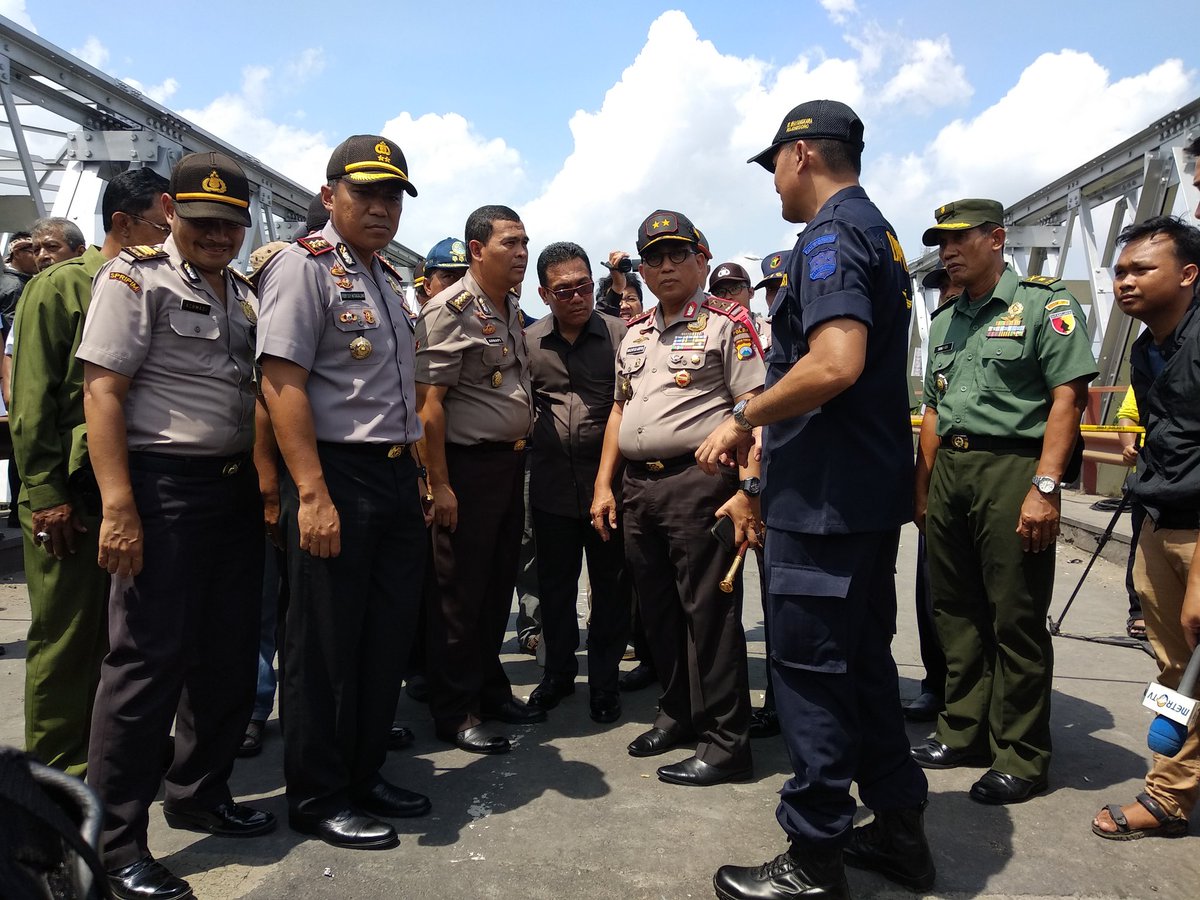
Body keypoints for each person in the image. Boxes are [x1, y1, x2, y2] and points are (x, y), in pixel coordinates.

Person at [705, 99, 933, 899]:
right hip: (859, 501)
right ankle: (899, 832)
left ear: (799, 154)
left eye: (774, 165)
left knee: (811, 677)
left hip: (825, 506)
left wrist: (745, 416)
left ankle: (813, 858)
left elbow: (835, 362)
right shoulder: (879, 232)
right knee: (863, 668)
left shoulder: (831, 237)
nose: (773, 182)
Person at [79, 151, 273, 900]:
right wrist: (118, 505)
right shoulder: (135, 280)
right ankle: (113, 843)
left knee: (225, 656)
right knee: (144, 667)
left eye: (230, 224)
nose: (217, 235)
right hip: (161, 490)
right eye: (202, 222)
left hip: (229, 491)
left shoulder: (243, 292)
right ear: (169, 211)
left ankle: (199, 792)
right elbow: (103, 392)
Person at [257, 135, 431, 850]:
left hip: (393, 474)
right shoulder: (302, 267)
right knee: (324, 647)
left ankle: (363, 773)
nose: (382, 208)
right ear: (330, 196)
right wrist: (311, 492)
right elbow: (280, 381)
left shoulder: (386, 277)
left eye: (393, 195)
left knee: (383, 638)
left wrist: (418, 476)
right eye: (367, 193)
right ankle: (319, 795)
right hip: (335, 473)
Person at [911, 198, 1097, 806]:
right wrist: (923, 487)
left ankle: (1020, 752)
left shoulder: (1045, 305)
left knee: (1015, 614)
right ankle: (963, 729)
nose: (948, 252)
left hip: (1011, 467)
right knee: (954, 608)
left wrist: (1045, 487)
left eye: (959, 239)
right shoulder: (946, 319)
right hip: (951, 469)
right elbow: (934, 408)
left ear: (996, 238)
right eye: (941, 243)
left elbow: (1067, 399)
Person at [591, 208, 764, 789]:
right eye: (654, 258)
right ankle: (677, 714)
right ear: (641, 270)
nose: (665, 266)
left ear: (700, 260)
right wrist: (604, 485)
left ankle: (726, 743)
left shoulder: (727, 323)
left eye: (676, 255)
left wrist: (748, 491)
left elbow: (753, 411)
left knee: (709, 616)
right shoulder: (636, 332)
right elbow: (620, 409)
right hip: (639, 487)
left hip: (700, 484)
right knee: (657, 612)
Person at [10, 168, 169, 780]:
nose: (171, 237)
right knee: (68, 634)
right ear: (122, 223)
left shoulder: (158, 283)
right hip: (72, 496)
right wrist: (46, 495)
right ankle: (57, 772)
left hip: (132, 486)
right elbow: (32, 401)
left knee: (125, 635)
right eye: (161, 226)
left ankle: (113, 751)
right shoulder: (62, 286)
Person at [415, 204, 542, 756]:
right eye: (510, 243)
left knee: (494, 589)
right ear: (476, 250)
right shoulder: (451, 310)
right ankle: (456, 709)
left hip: (507, 466)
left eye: (524, 242)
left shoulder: (507, 306)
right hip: (464, 469)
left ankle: (489, 689)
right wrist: (438, 485)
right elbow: (427, 406)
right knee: (458, 595)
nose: (521, 253)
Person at [1091, 214, 1200, 841]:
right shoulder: (1146, 348)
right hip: (1160, 517)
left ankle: (1168, 796)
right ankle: (1171, 789)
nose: (1124, 281)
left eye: (1141, 270)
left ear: (1187, 274)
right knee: (1173, 666)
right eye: (1120, 271)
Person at [525, 241, 628, 723]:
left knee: (610, 589)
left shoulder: (621, 335)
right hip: (550, 489)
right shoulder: (528, 343)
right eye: (563, 290)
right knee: (555, 588)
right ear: (544, 294)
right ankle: (558, 674)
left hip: (608, 489)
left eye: (584, 286)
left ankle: (604, 683)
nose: (577, 297)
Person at [903, 264, 960, 724]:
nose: (947, 297)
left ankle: (979, 706)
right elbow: (931, 415)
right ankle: (937, 685)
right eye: (942, 291)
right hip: (942, 481)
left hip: (993, 477)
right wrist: (920, 492)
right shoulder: (942, 333)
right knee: (932, 595)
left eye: (953, 288)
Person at [1114, 385, 1147, 641]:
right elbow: (1127, 415)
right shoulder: (1148, 370)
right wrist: (1128, 447)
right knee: (1141, 547)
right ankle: (1139, 612)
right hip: (1148, 477)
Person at [1, 231, 36, 335]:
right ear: (17, 253)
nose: (39, 256)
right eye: (34, 252)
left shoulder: (7, 280)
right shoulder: (15, 287)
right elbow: (12, 331)